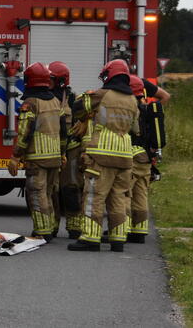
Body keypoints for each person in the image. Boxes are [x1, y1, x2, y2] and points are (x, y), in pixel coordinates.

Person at [68, 59, 139, 252]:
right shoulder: (133, 100)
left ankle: (90, 238)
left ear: (109, 75)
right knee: (119, 198)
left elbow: (78, 106)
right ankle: (118, 239)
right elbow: (136, 128)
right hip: (125, 155)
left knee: (94, 195)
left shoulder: (102, 94)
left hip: (101, 154)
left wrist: (86, 117)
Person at [8, 62, 65, 242]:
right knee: (48, 193)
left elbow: (25, 132)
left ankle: (43, 231)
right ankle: (50, 227)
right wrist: (62, 153)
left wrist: (15, 156)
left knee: (36, 193)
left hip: (37, 158)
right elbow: (64, 131)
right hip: (55, 157)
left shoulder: (30, 103)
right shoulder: (56, 101)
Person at [49, 61, 82, 239]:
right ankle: (52, 225)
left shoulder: (73, 100)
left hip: (71, 151)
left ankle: (74, 226)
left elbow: (83, 127)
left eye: (51, 79)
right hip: (52, 150)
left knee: (71, 188)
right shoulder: (44, 99)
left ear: (61, 81)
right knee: (52, 189)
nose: (48, 83)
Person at [126, 75, 154, 243]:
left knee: (125, 193)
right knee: (141, 193)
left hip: (133, 155)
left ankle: (124, 228)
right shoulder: (147, 109)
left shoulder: (132, 110)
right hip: (146, 158)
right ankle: (140, 230)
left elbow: (131, 130)